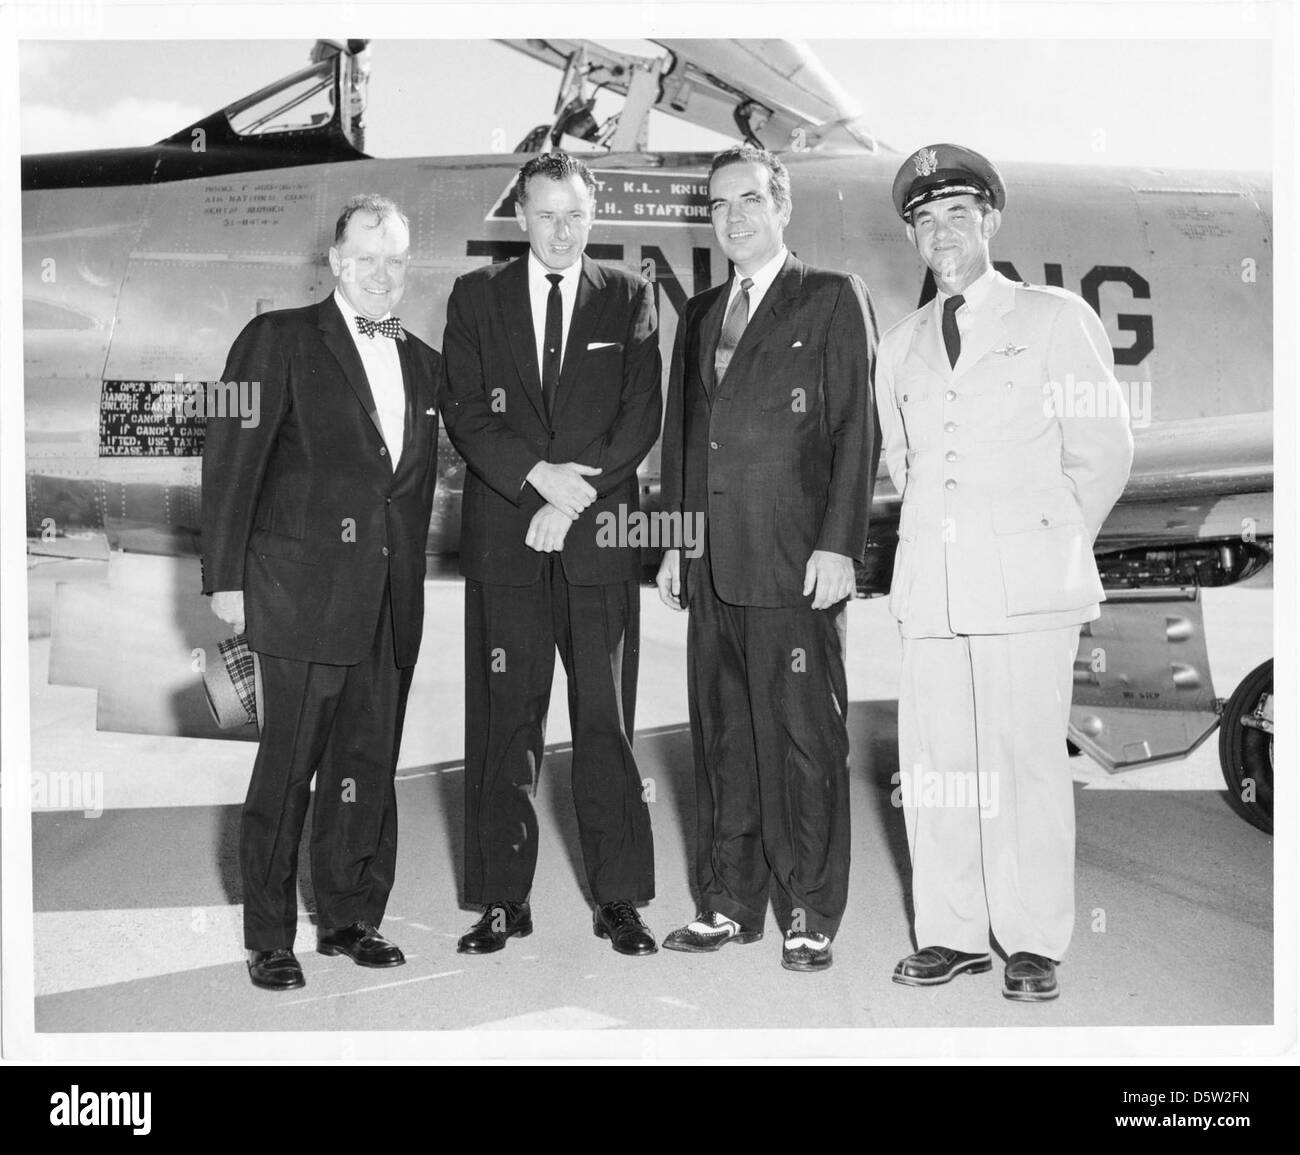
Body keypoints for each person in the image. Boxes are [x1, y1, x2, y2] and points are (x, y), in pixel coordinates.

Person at [876, 144, 1134, 1001]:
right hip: (934, 591)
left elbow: (1101, 450)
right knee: (938, 759)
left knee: (1023, 761)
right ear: (912, 237)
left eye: (957, 214)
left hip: (1028, 585)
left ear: (989, 221)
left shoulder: (1055, 316)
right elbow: (907, 464)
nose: (941, 232)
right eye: (925, 219)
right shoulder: (902, 343)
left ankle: (1031, 939)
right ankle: (950, 933)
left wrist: (1048, 545)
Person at [201, 194, 443, 991]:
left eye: (395, 260)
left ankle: (348, 917)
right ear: (337, 262)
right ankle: (269, 934)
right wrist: (226, 578)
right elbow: (231, 459)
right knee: (288, 765)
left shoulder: (422, 360)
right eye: (366, 258)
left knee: (367, 764)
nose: (382, 274)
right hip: (299, 590)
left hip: (387, 598)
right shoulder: (278, 339)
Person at [656, 145, 878, 972]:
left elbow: (857, 428)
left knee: (803, 741)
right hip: (714, 565)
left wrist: (839, 545)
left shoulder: (829, 298)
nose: (734, 216)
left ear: (782, 206)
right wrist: (677, 539)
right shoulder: (701, 312)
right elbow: (684, 440)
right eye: (718, 205)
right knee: (721, 739)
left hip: (795, 565)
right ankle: (728, 901)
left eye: (749, 199)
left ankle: (811, 911)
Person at [441, 153, 662, 957]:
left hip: (596, 544)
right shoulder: (476, 296)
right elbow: (464, 411)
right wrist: (538, 481)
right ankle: (503, 899)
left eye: (574, 215)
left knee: (606, 725)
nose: (560, 230)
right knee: (506, 723)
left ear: (592, 217)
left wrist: (571, 502)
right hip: (508, 539)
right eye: (544, 215)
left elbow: (640, 418)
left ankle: (620, 898)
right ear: (521, 218)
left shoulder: (630, 297)